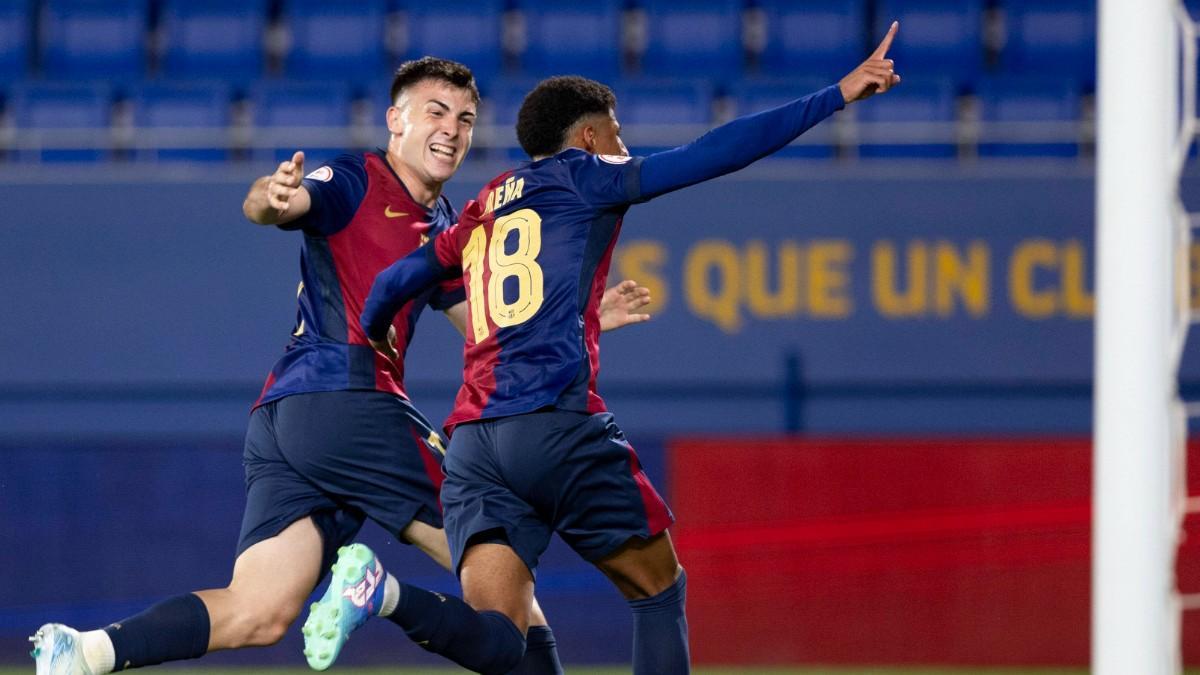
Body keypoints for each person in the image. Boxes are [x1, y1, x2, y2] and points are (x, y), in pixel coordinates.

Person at [28, 56, 651, 675]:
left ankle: (85, 651)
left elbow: (486, 326)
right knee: (508, 587)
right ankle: (383, 593)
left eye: (465, 119)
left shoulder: (444, 223)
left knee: (258, 611)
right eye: (436, 112)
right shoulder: (356, 179)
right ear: (396, 120)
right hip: (351, 404)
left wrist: (581, 321)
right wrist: (271, 198)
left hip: (288, 419)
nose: (452, 130)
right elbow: (279, 203)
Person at [349, 23, 902, 675]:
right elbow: (717, 150)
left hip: (474, 446)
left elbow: (393, 281)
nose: (624, 147)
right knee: (658, 590)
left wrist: (372, 342)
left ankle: (385, 595)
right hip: (555, 426)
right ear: (589, 137)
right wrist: (836, 94)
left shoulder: (482, 205)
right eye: (616, 132)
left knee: (503, 638)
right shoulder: (588, 176)